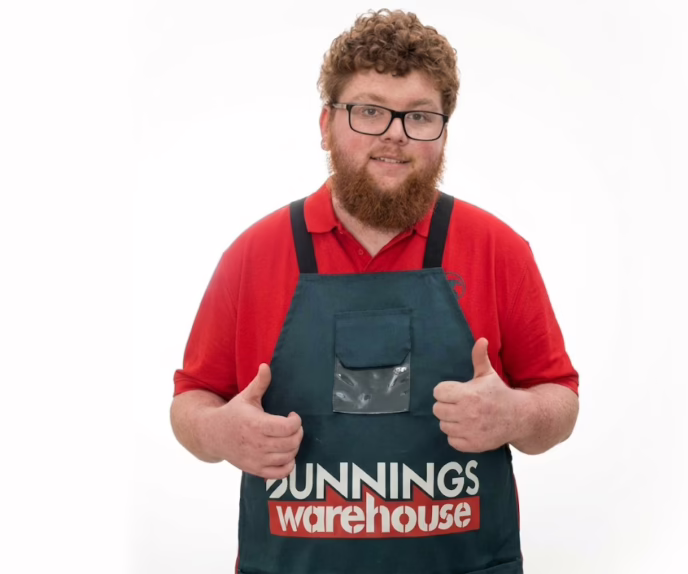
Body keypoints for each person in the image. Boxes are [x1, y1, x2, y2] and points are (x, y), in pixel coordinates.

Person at [171, 9, 579, 574]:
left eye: (419, 116)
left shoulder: (497, 250)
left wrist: (517, 416)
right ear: (325, 125)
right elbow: (190, 400)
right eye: (368, 111)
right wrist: (219, 431)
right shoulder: (254, 256)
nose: (394, 134)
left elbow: (560, 399)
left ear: (443, 131)